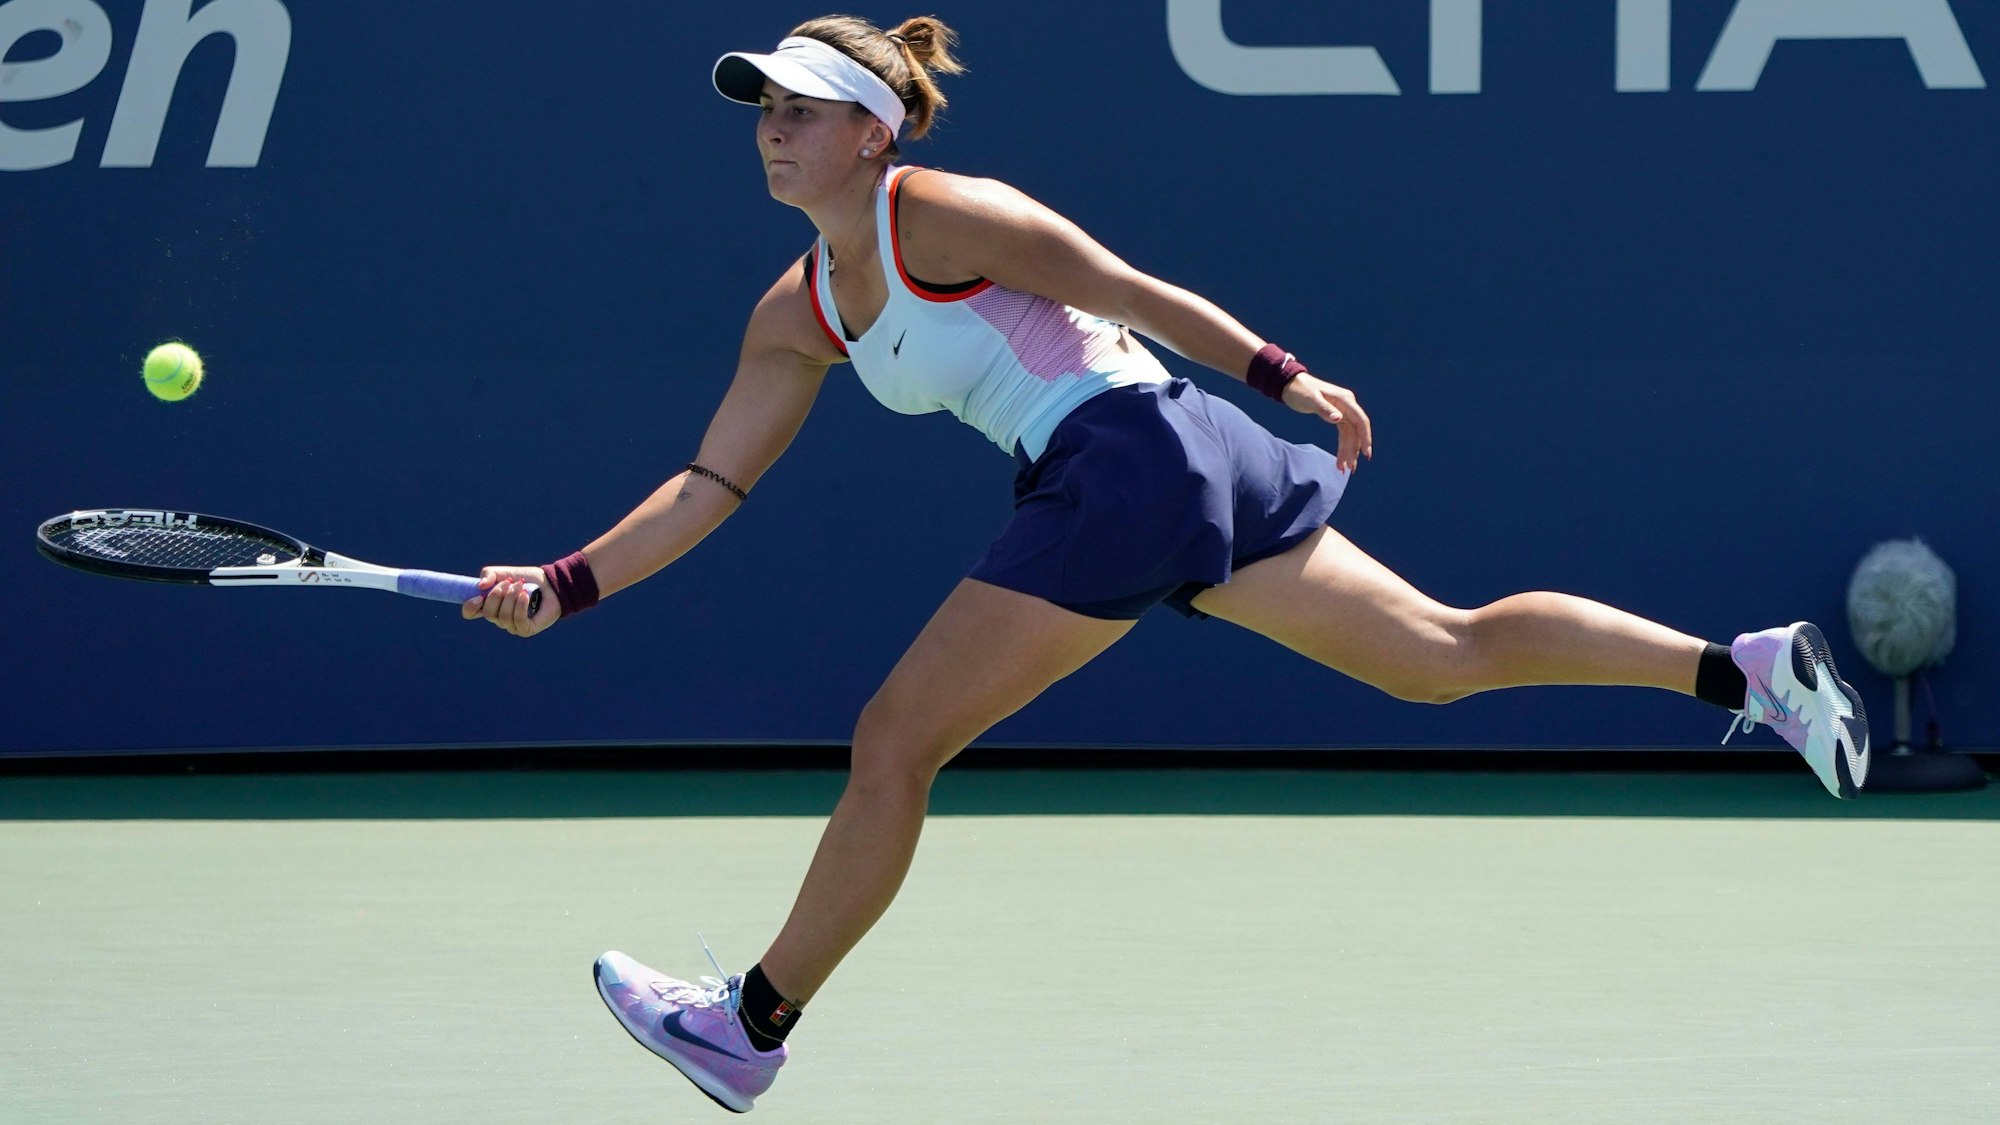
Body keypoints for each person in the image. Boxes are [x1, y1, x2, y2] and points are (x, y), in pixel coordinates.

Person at [462, 15, 1871, 1113]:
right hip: (1166, 458)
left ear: (872, 132)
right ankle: (1742, 669)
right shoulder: (797, 310)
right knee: (1438, 658)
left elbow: (1124, 289)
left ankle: (749, 1027)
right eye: (761, 109)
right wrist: (567, 581)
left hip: (1129, 450)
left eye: (799, 109)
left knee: (893, 741)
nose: (771, 129)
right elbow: (711, 484)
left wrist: (1282, 372)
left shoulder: (937, 212)